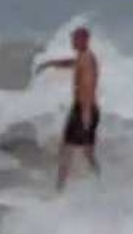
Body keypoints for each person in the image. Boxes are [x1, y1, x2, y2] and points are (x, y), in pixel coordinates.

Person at [35, 27, 101, 190]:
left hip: (83, 109)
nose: (72, 42)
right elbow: (72, 63)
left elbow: (88, 86)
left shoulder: (87, 59)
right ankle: (100, 183)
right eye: (72, 39)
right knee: (87, 153)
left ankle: (59, 191)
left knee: (66, 150)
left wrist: (85, 114)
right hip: (85, 108)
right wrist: (50, 63)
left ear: (84, 40)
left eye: (75, 39)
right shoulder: (83, 56)